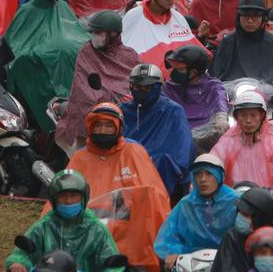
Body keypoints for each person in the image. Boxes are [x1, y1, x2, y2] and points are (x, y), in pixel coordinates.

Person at [4, 0, 93, 134]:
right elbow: (15, 46)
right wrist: (43, 52)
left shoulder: (63, 7)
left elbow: (76, 32)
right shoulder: (27, 11)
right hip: (38, 67)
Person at [154, 153, 240, 272]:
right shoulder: (185, 205)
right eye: (198, 174)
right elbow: (168, 236)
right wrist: (174, 252)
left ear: (219, 176)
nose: (202, 179)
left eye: (209, 174)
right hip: (193, 270)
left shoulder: (236, 201)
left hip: (229, 268)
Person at [59, 10, 139, 147]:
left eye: (100, 33)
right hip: (95, 113)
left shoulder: (129, 55)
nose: (95, 37)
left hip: (126, 112)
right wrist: (105, 97)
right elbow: (83, 88)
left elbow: (137, 80)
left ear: (114, 34)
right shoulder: (86, 53)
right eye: (94, 33)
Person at [64, 101, 172, 202]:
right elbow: (63, 195)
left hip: (127, 220)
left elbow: (154, 195)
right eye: (98, 125)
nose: (102, 130)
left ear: (119, 129)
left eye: (108, 126)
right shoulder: (80, 158)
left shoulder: (134, 152)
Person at [122, 62, 195, 195]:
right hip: (124, 172)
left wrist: (147, 164)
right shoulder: (123, 110)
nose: (140, 91)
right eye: (136, 86)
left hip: (160, 176)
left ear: (158, 87)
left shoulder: (173, 111)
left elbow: (181, 154)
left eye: (146, 88)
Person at [212, 88, 273, 187]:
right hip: (234, 199)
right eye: (243, 115)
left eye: (253, 115)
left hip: (271, 199)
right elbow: (213, 166)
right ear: (236, 117)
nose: (248, 120)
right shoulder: (228, 140)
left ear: (262, 115)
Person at [211, 0, 273, 91]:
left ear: (263, 19)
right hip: (232, 97)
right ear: (238, 17)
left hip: (267, 98)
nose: (250, 21)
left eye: (255, 16)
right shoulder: (227, 43)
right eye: (245, 16)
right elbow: (215, 78)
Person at [121, 0, 201, 64]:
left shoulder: (178, 16)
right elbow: (122, 48)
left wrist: (201, 36)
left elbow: (189, 48)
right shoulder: (134, 15)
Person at [163, 44, 230, 131]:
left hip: (206, 132)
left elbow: (220, 102)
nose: (175, 73)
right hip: (176, 130)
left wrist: (222, 119)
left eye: (180, 69)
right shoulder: (169, 86)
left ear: (194, 72)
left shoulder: (213, 86)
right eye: (174, 68)